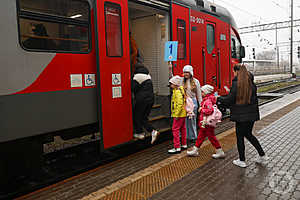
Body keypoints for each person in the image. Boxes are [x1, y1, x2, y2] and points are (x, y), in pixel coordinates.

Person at [217, 64, 268, 168]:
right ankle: (262, 155)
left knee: (240, 137)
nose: (234, 74)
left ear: (236, 72)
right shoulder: (251, 84)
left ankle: (242, 160)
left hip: (241, 116)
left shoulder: (237, 84)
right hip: (251, 115)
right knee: (249, 135)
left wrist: (218, 99)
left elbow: (230, 99)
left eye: (234, 72)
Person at [187, 85, 225, 158]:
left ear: (206, 92)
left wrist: (201, 110)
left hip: (207, 122)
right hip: (205, 122)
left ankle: (219, 151)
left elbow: (209, 110)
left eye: (202, 91)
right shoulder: (208, 99)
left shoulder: (207, 101)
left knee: (211, 137)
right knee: (201, 136)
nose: (201, 93)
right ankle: (195, 150)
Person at [132, 63, 159, 144]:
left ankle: (140, 133)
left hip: (142, 100)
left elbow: (133, 88)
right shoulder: (147, 75)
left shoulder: (137, 77)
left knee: (136, 116)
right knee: (144, 117)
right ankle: (153, 131)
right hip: (150, 99)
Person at [182, 65, 202, 142]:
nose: (185, 74)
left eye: (187, 72)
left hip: (193, 102)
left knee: (192, 120)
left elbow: (199, 94)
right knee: (184, 120)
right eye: (184, 72)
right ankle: (186, 136)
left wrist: (201, 105)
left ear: (191, 73)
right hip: (184, 102)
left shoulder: (196, 81)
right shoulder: (181, 80)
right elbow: (172, 79)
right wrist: (170, 69)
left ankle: (193, 136)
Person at [168, 75, 187, 154]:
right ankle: (184, 144)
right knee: (183, 129)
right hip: (183, 114)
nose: (170, 85)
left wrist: (176, 114)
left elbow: (179, 104)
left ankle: (177, 147)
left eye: (171, 84)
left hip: (178, 114)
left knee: (175, 130)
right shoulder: (181, 90)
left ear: (175, 84)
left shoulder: (177, 92)